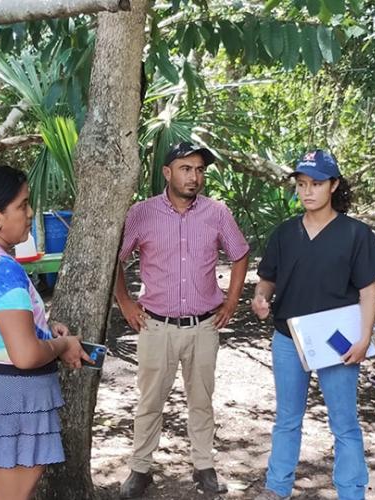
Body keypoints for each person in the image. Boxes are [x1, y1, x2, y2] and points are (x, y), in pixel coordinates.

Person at [251, 150, 375, 500]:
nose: (307, 191)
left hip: (337, 340)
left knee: (344, 423)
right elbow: (267, 279)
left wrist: (364, 338)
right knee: (287, 418)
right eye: (301, 184)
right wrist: (260, 298)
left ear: (334, 185)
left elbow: (368, 291)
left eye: (316, 184)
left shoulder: (355, 234)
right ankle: (276, 488)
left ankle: (351, 491)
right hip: (289, 338)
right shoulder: (285, 233)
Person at [115, 141, 250, 498]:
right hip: (156, 326)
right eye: (186, 169)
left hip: (204, 326)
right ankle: (140, 469)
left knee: (202, 400)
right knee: (149, 402)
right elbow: (116, 259)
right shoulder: (141, 213)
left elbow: (239, 254)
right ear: (167, 172)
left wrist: (232, 301)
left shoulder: (217, 213)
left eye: (200, 170)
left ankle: (204, 467)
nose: (194, 177)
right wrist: (125, 302)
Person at [0, 165, 90, 500]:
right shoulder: (2, 269)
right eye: (23, 205)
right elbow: (25, 355)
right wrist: (62, 345)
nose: (29, 213)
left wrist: (43, 330)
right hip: (17, 397)